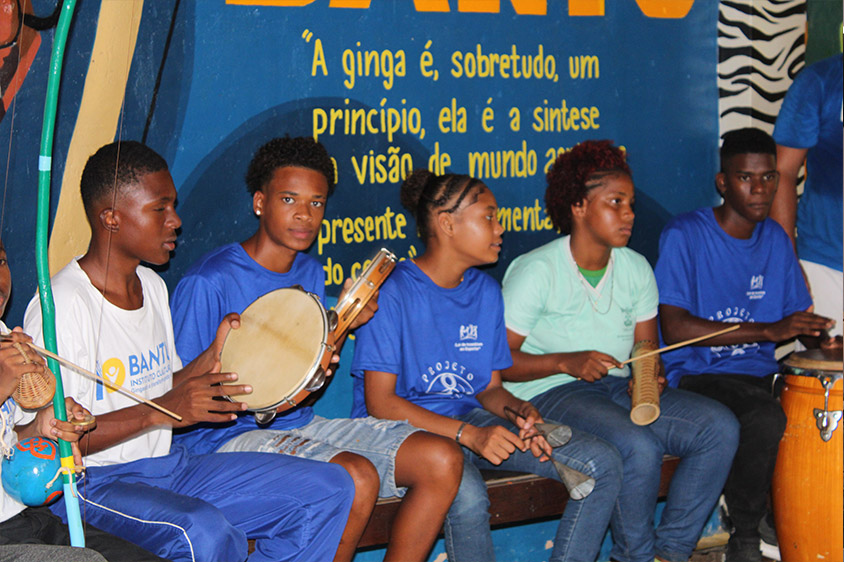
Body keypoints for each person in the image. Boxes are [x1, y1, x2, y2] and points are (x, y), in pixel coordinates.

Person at [23, 141, 357, 562]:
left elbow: (162, 387)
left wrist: (215, 356)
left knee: (330, 489)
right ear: (111, 218)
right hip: (93, 483)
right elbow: (54, 437)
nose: (176, 221)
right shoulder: (64, 305)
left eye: (174, 206)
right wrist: (161, 412)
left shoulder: (152, 286)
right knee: (203, 533)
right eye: (159, 209)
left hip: (168, 466)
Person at [170, 136, 463, 562]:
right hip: (224, 441)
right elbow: (178, 398)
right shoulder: (208, 281)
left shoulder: (310, 270)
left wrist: (343, 325)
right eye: (289, 199)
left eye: (317, 202)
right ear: (259, 202)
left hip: (300, 424)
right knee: (355, 477)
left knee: (441, 459)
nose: (305, 214)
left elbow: (304, 382)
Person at [351, 168, 624, 562]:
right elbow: (380, 404)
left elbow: (489, 389)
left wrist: (520, 412)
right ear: (447, 224)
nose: (500, 229)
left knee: (602, 463)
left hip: (469, 422)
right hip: (404, 433)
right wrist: (470, 435)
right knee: (468, 496)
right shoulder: (393, 290)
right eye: (489, 217)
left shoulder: (486, 291)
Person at [500, 140, 740, 562]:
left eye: (630, 203)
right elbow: (498, 365)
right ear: (578, 206)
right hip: (548, 392)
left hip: (612, 389)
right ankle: (634, 556)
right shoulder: (536, 271)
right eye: (615, 202)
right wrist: (566, 362)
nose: (629, 214)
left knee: (718, 427)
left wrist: (648, 378)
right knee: (637, 445)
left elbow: (645, 349)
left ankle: (670, 553)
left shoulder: (635, 267)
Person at [654, 128, 836, 562]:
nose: (760, 189)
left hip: (757, 375)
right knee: (763, 415)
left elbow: (794, 320)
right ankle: (747, 535)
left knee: (815, 408)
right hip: (696, 375)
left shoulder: (775, 238)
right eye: (745, 178)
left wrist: (823, 338)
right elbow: (674, 328)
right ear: (722, 182)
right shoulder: (685, 234)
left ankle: (806, 521)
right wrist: (767, 330)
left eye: (769, 178)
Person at [0, 239, 164, 561]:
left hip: (22, 517)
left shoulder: (4, 336)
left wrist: (39, 427)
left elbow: (10, 440)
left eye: (1, 262)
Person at [772, 54, 843, 339]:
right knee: (826, 367)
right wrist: (788, 262)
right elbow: (783, 172)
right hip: (828, 266)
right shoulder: (821, 81)